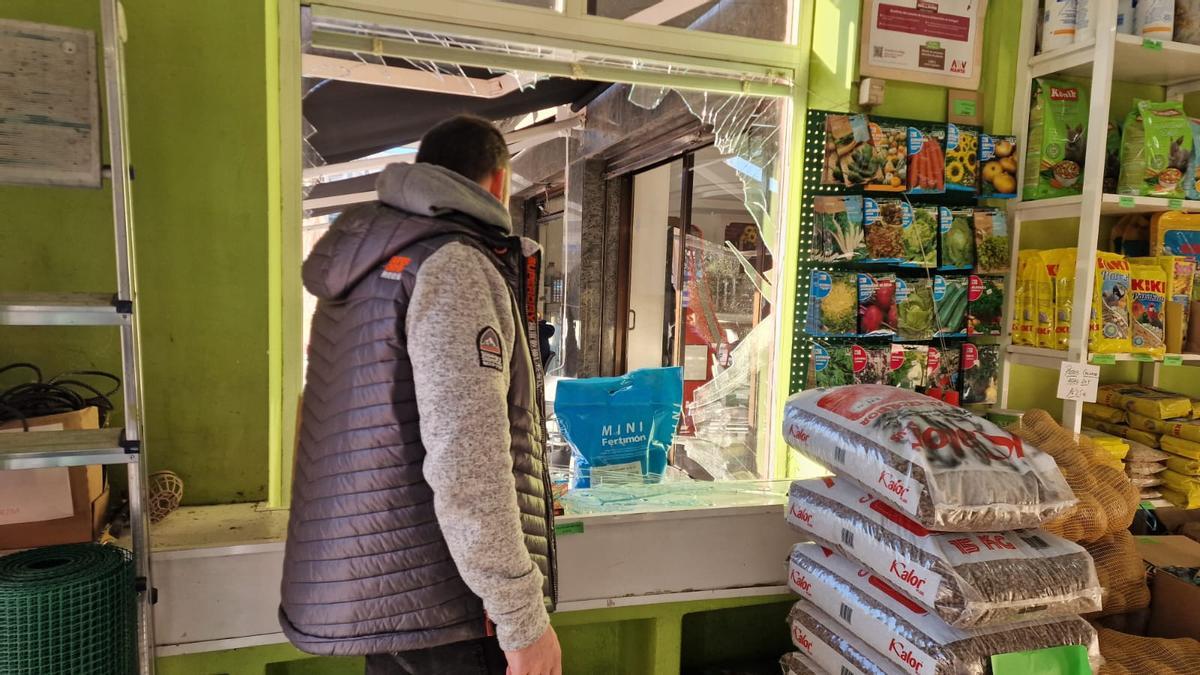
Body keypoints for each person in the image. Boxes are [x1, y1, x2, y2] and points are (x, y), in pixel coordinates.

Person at [279, 115, 560, 675]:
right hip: (446, 599)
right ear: (499, 182)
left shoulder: (373, 263)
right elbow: (466, 461)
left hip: (389, 584)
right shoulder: (452, 264)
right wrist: (522, 620)